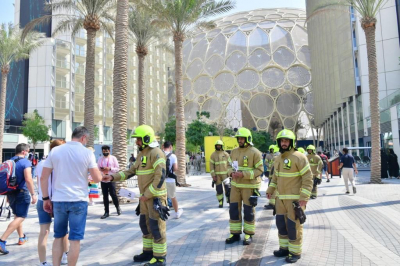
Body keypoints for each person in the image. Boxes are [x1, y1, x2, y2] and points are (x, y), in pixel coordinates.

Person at [103, 125, 167, 266]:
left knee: (156, 227)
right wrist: (112, 177)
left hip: (155, 198)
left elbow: (160, 176)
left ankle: (160, 258)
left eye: (138, 139)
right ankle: (148, 252)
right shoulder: (141, 154)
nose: (136, 142)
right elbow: (130, 172)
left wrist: (148, 194)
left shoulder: (156, 153)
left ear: (146, 138)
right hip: (144, 198)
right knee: (145, 225)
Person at [40, 126, 103, 266]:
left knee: (58, 236)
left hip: (59, 199)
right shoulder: (87, 153)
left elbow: (43, 177)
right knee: (75, 239)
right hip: (78, 200)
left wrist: (45, 198)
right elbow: (97, 178)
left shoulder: (55, 151)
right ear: (83, 138)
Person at [267, 129, 313, 263]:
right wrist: (270, 189)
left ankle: (295, 252)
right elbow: (275, 178)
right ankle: (284, 248)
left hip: (294, 200)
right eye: (282, 141)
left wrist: (304, 196)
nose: (284, 143)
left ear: (292, 142)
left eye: (286, 141)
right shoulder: (278, 158)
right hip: (280, 199)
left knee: (294, 226)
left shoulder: (299, 157)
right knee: (281, 224)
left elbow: (308, 178)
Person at [225, 127, 263, 246]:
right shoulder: (234, 151)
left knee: (248, 210)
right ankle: (235, 233)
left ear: (248, 139)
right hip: (235, 186)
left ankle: (248, 233)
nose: (240, 140)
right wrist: (231, 172)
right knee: (233, 210)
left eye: (242, 138)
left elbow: (259, 170)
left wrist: (243, 174)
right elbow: (228, 166)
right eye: (239, 138)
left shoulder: (255, 152)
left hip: (249, 186)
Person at [35, 140, 69, 265]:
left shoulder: (41, 163)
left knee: (44, 231)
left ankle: (43, 262)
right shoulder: (60, 164)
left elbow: (40, 180)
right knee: (63, 230)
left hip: (41, 198)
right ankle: (65, 254)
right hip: (57, 200)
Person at [0, 144, 36, 255]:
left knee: (17, 216)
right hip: (22, 192)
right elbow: (28, 179)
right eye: (28, 151)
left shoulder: (9, 161)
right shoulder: (25, 162)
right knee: (21, 217)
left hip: (11, 193)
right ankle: (2, 240)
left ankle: (21, 237)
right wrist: (33, 194)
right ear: (24, 152)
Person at [98, 145, 121, 219]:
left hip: (111, 179)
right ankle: (106, 212)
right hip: (103, 179)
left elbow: (117, 168)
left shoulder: (113, 158)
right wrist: (101, 170)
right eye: (104, 151)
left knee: (113, 194)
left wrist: (110, 168)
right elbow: (97, 168)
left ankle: (117, 208)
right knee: (105, 196)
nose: (105, 152)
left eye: (106, 151)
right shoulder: (100, 159)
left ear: (109, 151)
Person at [163, 141, 183, 218]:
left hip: (161, 180)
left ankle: (162, 212)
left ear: (163, 146)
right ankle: (177, 213)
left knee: (162, 197)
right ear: (170, 147)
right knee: (173, 197)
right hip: (170, 180)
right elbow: (175, 168)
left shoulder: (159, 154)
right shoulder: (173, 156)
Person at [209, 140, 231, 208]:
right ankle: (220, 202)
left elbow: (229, 164)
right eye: (217, 145)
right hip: (217, 176)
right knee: (219, 190)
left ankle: (229, 202)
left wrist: (230, 174)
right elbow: (211, 166)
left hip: (226, 175)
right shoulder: (213, 155)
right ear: (215, 146)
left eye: (220, 145)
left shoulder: (226, 154)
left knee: (228, 189)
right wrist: (213, 176)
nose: (218, 146)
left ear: (222, 146)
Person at [264, 145, 279, 210]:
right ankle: (273, 203)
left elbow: (274, 169)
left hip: (274, 176)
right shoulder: (269, 155)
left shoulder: (276, 157)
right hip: (271, 174)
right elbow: (266, 162)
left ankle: (272, 204)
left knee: (273, 190)